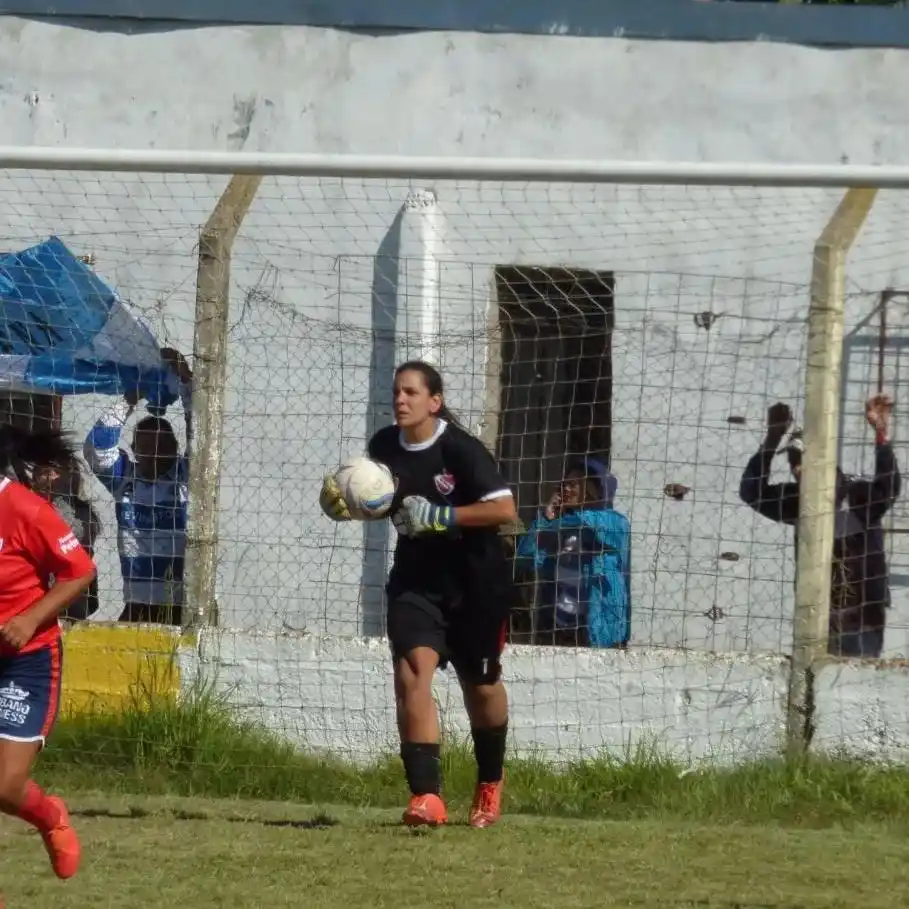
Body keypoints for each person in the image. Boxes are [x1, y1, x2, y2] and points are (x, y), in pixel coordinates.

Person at [320, 361, 518, 829]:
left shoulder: (461, 450)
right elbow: (386, 501)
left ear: (435, 401)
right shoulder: (383, 447)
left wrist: (446, 517)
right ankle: (426, 796)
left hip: (476, 583)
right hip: (416, 580)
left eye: (411, 392)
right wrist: (348, 506)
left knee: (481, 685)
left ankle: (490, 780)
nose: (400, 400)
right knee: (412, 673)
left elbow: (505, 509)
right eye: (396, 392)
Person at [0, 424, 97, 881]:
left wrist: (28, 618)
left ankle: (50, 817)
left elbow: (80, 571)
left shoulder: (24, 509)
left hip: (27, 659)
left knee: (4, 786)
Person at [739, 395, 900, 658]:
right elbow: (751, 492)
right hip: (816, 620)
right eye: (794, 462)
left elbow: (889, 488)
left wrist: (881, 434)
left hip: (861, 619)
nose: (798, 469)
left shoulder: (856, 495)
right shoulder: (798, 501)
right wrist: (772, 439)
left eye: (804, 460)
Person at [82, 348, 192, 624]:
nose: (155, 453)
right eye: (147, 446)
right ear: (133, 450)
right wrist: (132, 397)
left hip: (181, 606)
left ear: (176, 449)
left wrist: (186, 379)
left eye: (163, 445)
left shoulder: (187, 477)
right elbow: (97, 447)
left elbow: (201, 430)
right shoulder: (126, 480)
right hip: (137, 605)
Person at [515, 458, 631, 648]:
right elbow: (525, 559)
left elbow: (586, 522)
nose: (565, 490)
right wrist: (544, 519)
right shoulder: (560, 528)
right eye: (563, 485)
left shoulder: (614, 521)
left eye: (572, 484)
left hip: (597, 624)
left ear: (592, 488)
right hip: (560, 624)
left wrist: (550, 524)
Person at [31, 459, 102, 621]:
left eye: (56, 471)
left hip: (71, 592)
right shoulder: (28, 507)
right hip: (37, 593)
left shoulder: (82, 514)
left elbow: (83, 554)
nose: (51, 478)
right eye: (44, 472)